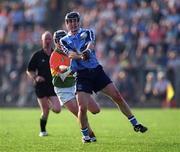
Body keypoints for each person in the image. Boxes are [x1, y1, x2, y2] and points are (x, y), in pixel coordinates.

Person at [60, 11, 148, 143]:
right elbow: (71, 55)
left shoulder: (88, 32)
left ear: (79, 21)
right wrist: (81, 56)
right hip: (82, 75)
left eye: (75, 21)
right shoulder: (64, 40)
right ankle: (85, 136)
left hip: (96, 71)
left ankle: (135, 124)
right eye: (70, 21)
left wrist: (87, 51)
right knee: (82, 108)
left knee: (117, 96)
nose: (73, 24)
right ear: (67, 24)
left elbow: (91, 44)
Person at [50, 30, 100, 142]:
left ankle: (89, 134)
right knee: (80, 113)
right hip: (63, 90)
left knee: (96, 110)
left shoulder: (71, 51)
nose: (61, 43)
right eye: (59, 41)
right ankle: (89, 135)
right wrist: (69, 69)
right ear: (56, 42)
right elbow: (61, 71)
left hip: (74, 84)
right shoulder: (54, 55)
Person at [27, 31, 61, 137]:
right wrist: (36, 77)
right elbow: (29, 70)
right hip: (40, 87)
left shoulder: (56, 54)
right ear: (42, 41)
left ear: (52, 40)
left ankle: (49, 105)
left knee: (57, 109)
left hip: (52, 86)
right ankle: (42, 131)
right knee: (45, 111)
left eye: (49, 39)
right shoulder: (37, 55)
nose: (48, 41)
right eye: (46, 39)